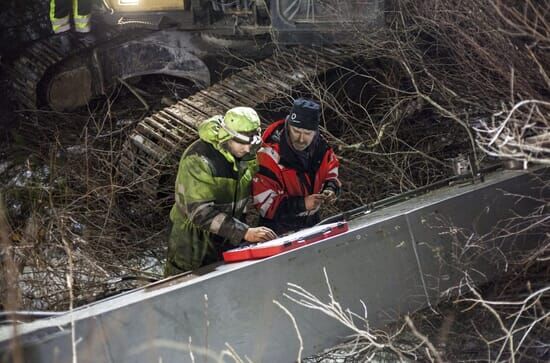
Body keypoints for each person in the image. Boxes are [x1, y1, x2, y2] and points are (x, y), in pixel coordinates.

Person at [165, 107, 277, 276]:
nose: (247, 149)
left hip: (229, 237)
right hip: (193, 242)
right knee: (186, 291)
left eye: (251, 144)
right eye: (241, 143)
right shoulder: (199, 159)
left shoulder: (247, 155)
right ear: (227, 135)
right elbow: (199, 212)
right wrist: (244, 232)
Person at [252, 98, 341, 235]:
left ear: (315, 132)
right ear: (288, 126)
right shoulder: (268, 155)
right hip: (277, 230)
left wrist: (330, 188)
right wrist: (302, 204)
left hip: (313, 224)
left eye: (307, 134)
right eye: (296, 131)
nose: (301, 139)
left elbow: (331, 171)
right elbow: (265, 205)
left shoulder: (322, 149)